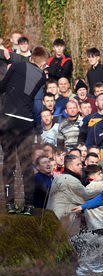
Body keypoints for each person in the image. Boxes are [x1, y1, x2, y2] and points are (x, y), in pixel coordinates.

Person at [0, 46, 48, 215]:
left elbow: (3, 87)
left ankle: (10, 204)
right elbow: (36, 105)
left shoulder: (17, 66)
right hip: (26, 122)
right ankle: (28, 205)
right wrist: (38, 127)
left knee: (9, 162)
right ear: (43, 64)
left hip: (7, 119)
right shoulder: (42, 77)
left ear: (31, 58)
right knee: (26, 164)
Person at [47, 155, 103, 236]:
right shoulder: (70, 180)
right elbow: (86, 196)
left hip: (55, 219)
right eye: (78, 165)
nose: (81, 167)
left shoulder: (59, 176)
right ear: (70, 167)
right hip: (62, 222)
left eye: (81, 164)